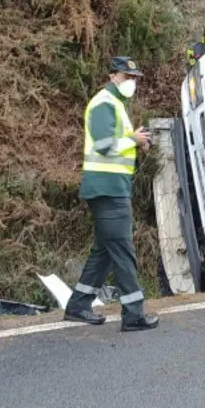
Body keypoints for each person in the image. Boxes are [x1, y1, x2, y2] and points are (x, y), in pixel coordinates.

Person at [64, 56, 159, 331]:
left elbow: (113, 143)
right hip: (107, 189)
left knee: (105, 250)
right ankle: (133, 314)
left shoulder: (115, 104)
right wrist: (133, 139)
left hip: (110, 187)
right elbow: (105, 145)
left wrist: (136, 140)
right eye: (127, 77)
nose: (132, 82)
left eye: (135, 78)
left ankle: (79, 305)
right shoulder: (104, 103)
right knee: (123, 249)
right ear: (112, 76)